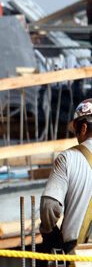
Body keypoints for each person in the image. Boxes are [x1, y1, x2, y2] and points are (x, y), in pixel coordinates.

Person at [39, 98, 92, 257]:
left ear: (83, 128)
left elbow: (49, 206)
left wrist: (49, 232)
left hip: (79, 253)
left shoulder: (68, 158)